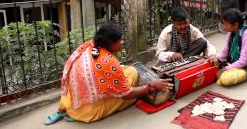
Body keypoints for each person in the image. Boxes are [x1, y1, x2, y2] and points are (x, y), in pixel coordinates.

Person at [44, 23, 173, 124]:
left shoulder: (88, 46)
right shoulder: (109, 62)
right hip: (87, 112)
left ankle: (65, 109)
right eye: (120, 40)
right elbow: (126, 94)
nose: (123, 42)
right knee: (132, 79)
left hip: (71, 101)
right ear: (111, 43)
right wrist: (151, 86)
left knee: (128, 71)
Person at [213, 9, 247, 87]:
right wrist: (216, 58)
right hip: (239, 63)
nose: (224, 27)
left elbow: (244, 61)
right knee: (213, 64)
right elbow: (225, 52)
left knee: (225, 79)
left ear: (235, 25)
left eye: (226, 24)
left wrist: (225, 69)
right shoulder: (232, 32)